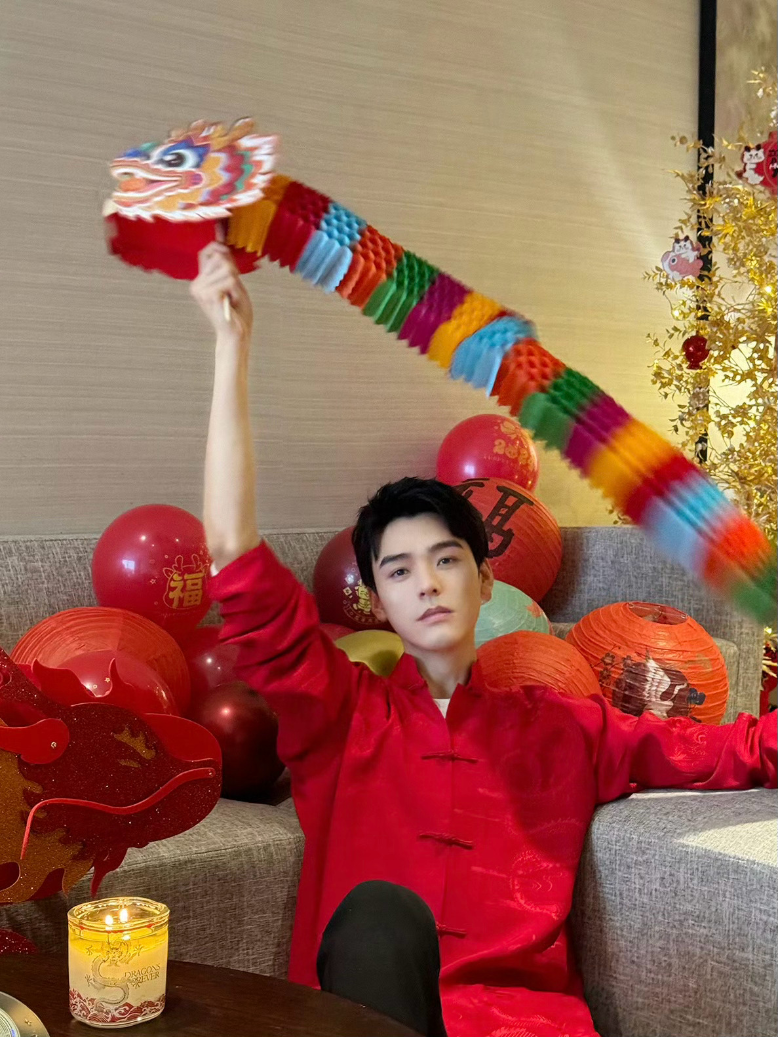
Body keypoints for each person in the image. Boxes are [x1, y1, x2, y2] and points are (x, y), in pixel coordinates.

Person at [193, 241, 777, 1037]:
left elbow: (731, 749)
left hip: (527, 1026)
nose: (427, 583)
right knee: (376, 916)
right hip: (370, 1018)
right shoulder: (337, 713)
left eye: (446, 560)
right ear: (377, 600)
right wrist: (231, 347)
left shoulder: (567, 728)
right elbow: (232, 551)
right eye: (399, 570)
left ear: (488, 579)